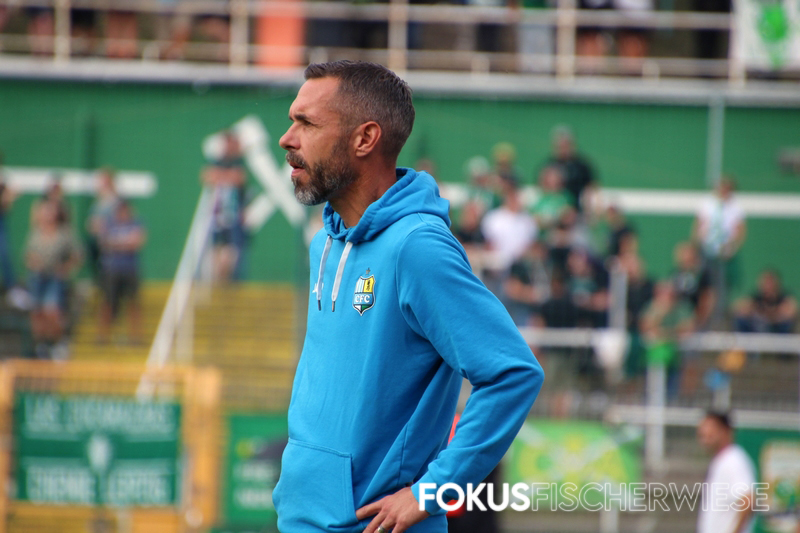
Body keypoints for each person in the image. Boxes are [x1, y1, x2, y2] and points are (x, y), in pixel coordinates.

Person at [273, 60, 544, 533]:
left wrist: (432, 491)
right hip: (301, 519)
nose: (287, 138)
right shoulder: (325, 242)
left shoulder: (418, 247)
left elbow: (513, 373)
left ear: (365, 139)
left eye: (307, 123)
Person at [25, 201, 83, 359]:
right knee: (37, 313)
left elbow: (77, 255)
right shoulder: (36, 232)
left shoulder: (65, 233)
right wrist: (34, 263)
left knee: (52, 311)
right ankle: (41, 345)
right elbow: (28, 254)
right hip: (38, 277)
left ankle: (58, 342)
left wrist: (65, 269)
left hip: (55, 278)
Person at [696, 411, 756, 533]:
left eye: (710, 428)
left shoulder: (733, 460)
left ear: (725, 430)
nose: (705, 433)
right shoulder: (720, 460)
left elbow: (748, 500)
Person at [98, 200, 146, 344]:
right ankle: (102, 335)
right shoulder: (109, 224)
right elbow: (104, 242)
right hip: (111, 270)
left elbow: (137, 242)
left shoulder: (135, 224)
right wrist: (125, 243)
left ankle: (136, 336)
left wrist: (117, 243)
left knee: (133, 303)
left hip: (129, 269)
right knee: (107, 302)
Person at [201, 130, 247, 281]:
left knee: (231, 251)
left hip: (233, 215)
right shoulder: (218, 161)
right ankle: (216, 278)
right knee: (216, 248)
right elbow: (207, 176)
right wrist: (227, 177)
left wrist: (221, 177)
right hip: (217, 215)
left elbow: (239, 178)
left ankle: (227, 278)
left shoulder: (240, 162)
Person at [544, 126, 597, 214]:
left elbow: (591, 187)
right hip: (554, 210)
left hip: (577, 210)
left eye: (566, 145)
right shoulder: (550, 164)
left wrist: (590, 209)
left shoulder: (581, 165)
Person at [734, 268, 797, 334]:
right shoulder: (756, 298)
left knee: (787, 322)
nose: (768, 286)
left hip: (778, 331)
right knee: (741, 319)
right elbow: (739, 308)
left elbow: (791, 310)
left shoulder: (783, 297)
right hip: (757, 330)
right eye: (766, 282)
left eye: (770, 282)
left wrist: (771, 316)